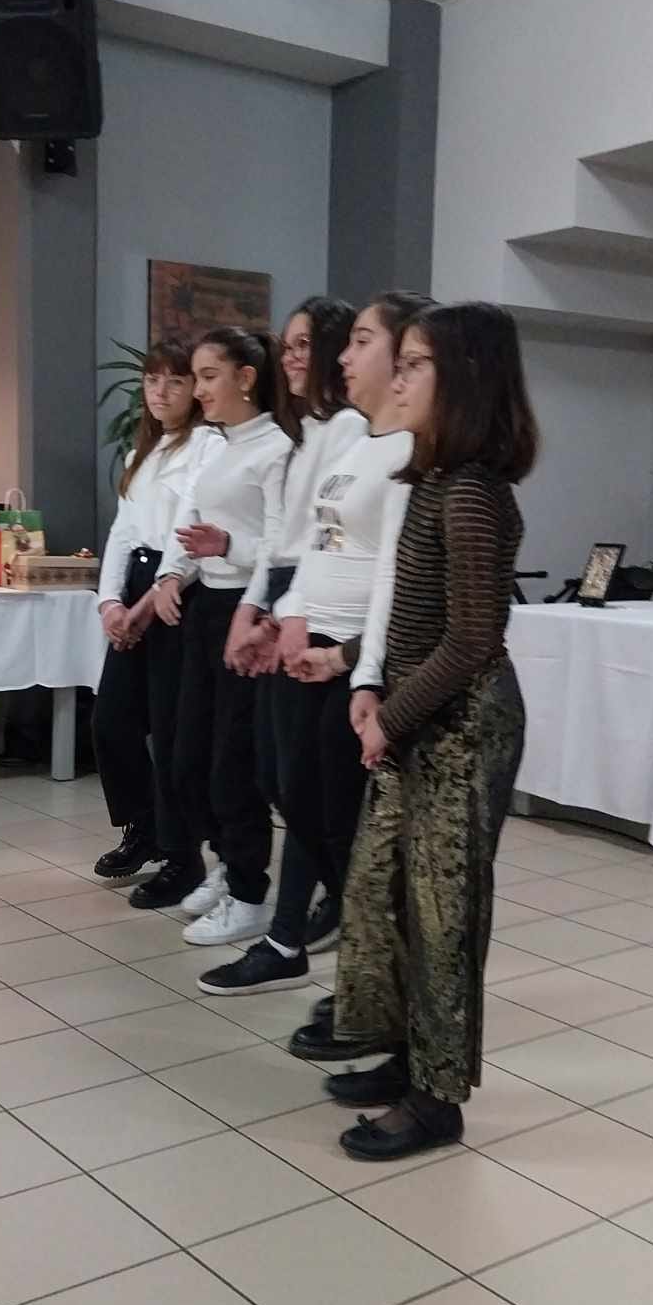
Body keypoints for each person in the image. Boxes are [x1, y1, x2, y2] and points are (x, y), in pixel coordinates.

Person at [328, 301, 538, 1162]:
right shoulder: (434, 481)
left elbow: (473, 639)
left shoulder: (475, 494)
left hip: (462, 726)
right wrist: (359, 670)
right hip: (420, 715)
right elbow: (412, 614)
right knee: (385, 894)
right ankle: (404, 1051)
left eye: (416, 364)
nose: (400, 377)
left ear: (465, 382)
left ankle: (437, 1097)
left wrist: (391, 717)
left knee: (444, 915)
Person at [198, 291, 431, 1001]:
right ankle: (330, 934)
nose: (338, 357)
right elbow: (317, 543)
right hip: (312, 629)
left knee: (325, 810)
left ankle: (332, 947)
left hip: (347, 647)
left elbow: (390, 574)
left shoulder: (405, 450)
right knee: (291, 791)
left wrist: (355, 661)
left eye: (360, 341)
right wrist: (284, 615)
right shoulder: (355, 440)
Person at [143, 326, 296, 941]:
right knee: (187, 758)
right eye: (198, 377)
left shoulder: (276, 447)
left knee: (234, 761)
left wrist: (230, 546)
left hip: (247, 611)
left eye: (209, 376)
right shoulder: (214, 442)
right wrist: (171, 575)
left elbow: (281, 548)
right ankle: (226, 863)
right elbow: (189, 523)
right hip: (205, 605)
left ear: (246, 378)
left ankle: (250, 890)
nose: (198, 389)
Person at [222, 294, 362, 959]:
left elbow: (326, 542)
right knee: (279, 778)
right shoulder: (306, 432)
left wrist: (283, 616)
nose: (292, 357)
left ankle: (312, 916)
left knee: (301, 782)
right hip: (291, 592)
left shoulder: (352, 430)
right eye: (288, 346)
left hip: (319, 606)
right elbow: (283, 539)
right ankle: (332, 897)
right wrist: (255, 610)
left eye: (305, 344)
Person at [91, 340, 222, 890]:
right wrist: (110, 602)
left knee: (170, 732)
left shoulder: (209, 446)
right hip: (137, 585)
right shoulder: (138, 454)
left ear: (194, 389)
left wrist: (146, 606)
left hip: (176, 592)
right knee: (111, 720)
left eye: (175, 381)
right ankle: (142, 826)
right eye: (151, 381)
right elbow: (123, 533)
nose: (161, 392)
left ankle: (180, 852)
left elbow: (188, 535)